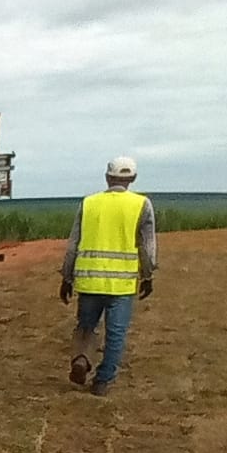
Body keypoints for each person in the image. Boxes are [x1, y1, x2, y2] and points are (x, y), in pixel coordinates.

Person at [60, 156, 157, 397]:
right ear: (132, 179)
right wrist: (147, 275)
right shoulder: (142, 204)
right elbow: (147, 246)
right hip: (121, 285)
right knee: (116, 334)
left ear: (107, 177)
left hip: (89, 280)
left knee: (86, 327)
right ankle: (102, 381)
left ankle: (81, 359)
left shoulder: (89, 203)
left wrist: (66, 277)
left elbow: (73, 243)